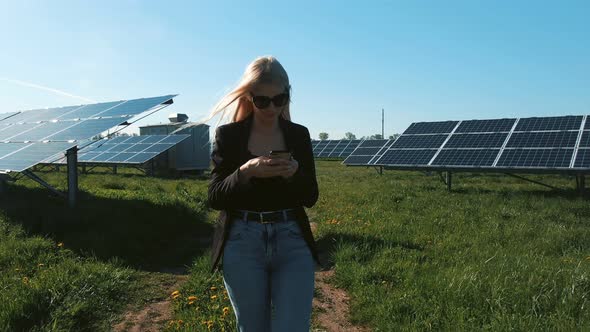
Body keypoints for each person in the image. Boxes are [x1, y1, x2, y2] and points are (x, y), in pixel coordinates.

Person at [207, 56, 320, 332]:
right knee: (252, 327)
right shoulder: (229, 136)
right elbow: (215, 197)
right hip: (243, 240)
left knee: (292, 327)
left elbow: (310, 197)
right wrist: (245, 172)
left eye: (279, 99)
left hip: (292, 238)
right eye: (262, 101)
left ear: (288, 95)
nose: (272, 107)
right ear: (249, 96)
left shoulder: (298, 135)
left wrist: (293, 172)